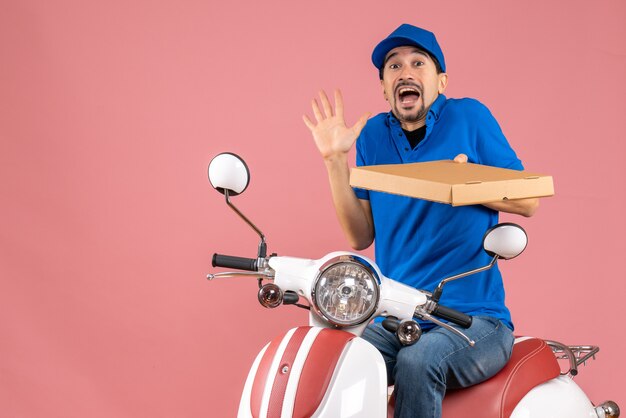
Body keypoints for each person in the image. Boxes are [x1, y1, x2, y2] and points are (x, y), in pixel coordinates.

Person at [303, 23, 539, 418]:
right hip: (399, 314)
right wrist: (333, 161)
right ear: (383, 87)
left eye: (418, 63)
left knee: (419, 360)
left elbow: (528, 200)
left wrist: (465, 182)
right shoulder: (373, 136)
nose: (404, 72)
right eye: (393, 67)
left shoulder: (470, 117)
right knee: (338, 357)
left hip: (474, 320)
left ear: (441, 80)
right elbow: (359, 235)